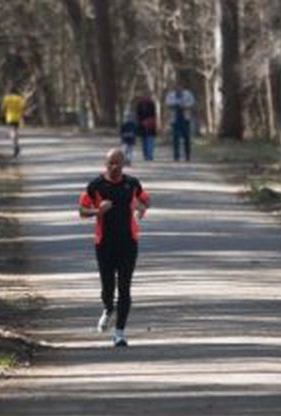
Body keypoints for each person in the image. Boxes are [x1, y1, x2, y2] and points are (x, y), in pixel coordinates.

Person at [78, 148, 151, 347]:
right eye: (111, 163)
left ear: (124, 164)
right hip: (104, 243)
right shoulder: (96, 185)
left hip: (128, 242)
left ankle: (119, 333)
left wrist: (141, 209)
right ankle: (108, 308)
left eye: (118, 163)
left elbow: (145, 199)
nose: (114, 166)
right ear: (105, 164)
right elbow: (81, 210)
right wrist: (97, 211)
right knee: (107, 288)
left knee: (125, 288)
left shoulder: (132, 184)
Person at [164, 83, 195, 162]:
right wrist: (175, 105)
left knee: (187, 138)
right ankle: (176, 156)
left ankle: (187, 156)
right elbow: (167, 104)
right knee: (175, 138)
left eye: (180, 89)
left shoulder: (188, 94)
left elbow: (192, 103)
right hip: (175, 120)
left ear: (182, 89)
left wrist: (185, 105)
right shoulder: (171, 95)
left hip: (185, 119)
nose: (179, 90)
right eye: (177, 89)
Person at [2, 90, 26, 157]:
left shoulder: (7, 98)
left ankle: (15, 144)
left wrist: (4, 114)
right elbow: (23, 107)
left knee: (11, 130)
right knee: (16, 130)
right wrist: (22, 114)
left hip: (9, 117)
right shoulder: (20, 98)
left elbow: (4, 108)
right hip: (17, 117)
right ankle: (16, 142)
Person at [135, 94, 157, 161]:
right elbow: (138, 115)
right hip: (142, 125)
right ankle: (145, 155)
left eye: (148, 96)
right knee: (144, 141)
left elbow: (154, 115)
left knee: (150, 140)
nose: (146, 98)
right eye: (144, 96)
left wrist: (150, 122)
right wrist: (141, 122)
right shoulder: (139, 105)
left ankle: (150, 155)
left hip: (151, 125)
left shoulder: (152, 104)